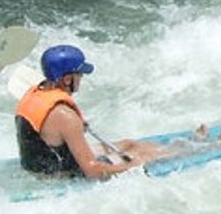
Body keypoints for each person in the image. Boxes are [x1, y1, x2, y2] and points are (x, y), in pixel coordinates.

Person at [15, 44, 173, 179]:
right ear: (67, 79)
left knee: (129, 143)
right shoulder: (66, 116)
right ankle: (189, 148)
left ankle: (178, 147)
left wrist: (72, 128)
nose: (81, 78)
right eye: (79, 74)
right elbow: (92, 170)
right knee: (143, 155)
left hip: (37, 164)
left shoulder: (34, 93)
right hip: (60, 174)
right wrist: (134, 166)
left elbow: (49, 128)